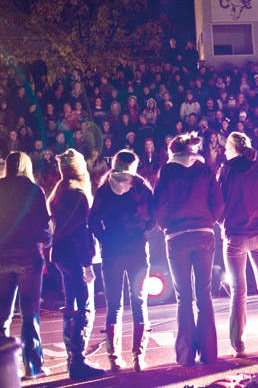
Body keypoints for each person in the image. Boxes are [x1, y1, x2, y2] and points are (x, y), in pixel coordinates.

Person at [152, 133, 223, 365]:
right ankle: (210, 353)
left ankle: (186, 356)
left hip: (177, 236)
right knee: (204, 295)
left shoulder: (167, 171)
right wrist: (207, 220)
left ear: (173, 151)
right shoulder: (204, 169)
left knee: (184, 297)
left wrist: (166, 226)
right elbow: (219, 202)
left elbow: (158, 204)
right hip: (203, 233)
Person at [89, 150, 154, 372]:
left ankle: (114, 358)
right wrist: (143, 230)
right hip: (136, 250)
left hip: (112, 252)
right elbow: (153, 215)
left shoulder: (105, 187)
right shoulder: (140, 185)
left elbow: (93, 220)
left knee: (114, 305)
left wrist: (105, 238)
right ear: (133, 165)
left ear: (115, 164)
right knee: (139, 301)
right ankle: (138, 358)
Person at [216, 132, 258, 356]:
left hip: (235, 234)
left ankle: (238, 345)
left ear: (233, 148)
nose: (224, 151)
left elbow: (217, 201)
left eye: (226, 148)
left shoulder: (225, 170)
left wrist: (224, 222)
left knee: (238, 291)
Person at [48, 149, 105, 379]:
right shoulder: (78, 193)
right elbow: (80, 231)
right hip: (76, 256)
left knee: (71, 306)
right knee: (84, 308)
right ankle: (78, 361)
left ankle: (72, 359)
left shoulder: (59, 190)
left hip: (61, 254)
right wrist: (87, 264)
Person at [0, 152, 52, 380]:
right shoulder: (33, 190)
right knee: (30, 313)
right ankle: (32, 367)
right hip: (28, 255)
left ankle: (3, 368)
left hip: (2, 256)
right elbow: (43, 225)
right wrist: (46, 240)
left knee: (2, 316)